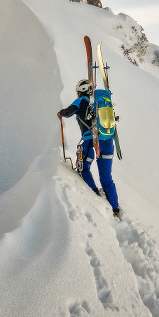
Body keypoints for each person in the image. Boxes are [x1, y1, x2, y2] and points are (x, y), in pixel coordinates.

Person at [58, 79, 120, 217]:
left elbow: (68, 112)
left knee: (84, 169)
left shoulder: (80, 101)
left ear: (81, 91)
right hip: (107, 141)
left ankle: (93, 194)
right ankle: (115, 208)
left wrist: (60, 113)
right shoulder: (99, 103)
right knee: (106, 178)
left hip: (90, 141)